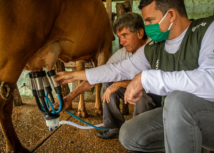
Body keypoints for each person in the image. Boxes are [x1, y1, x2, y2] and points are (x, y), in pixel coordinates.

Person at [54, 0, 214, 152]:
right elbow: (117, 69)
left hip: (207, 116)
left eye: (150, 20)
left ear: (171, 15)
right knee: (129, 134)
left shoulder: (208, 29)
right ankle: (183, 140)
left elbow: (210, 81)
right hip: (173, 113)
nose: (149, 27)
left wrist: (145, 78)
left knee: (176, 100)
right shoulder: (154, 47)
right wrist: (77, 74)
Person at [97, 12, 161, 139]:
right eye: (119, 37)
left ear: (140, 33)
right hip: (136, 90)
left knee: (143, 92)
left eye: (125, 35)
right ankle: (114, 126)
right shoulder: (123, 53)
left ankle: (138, 136)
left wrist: (120, 83)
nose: (121, 41)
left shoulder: (155, 48)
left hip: (157, 94)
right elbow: (103, 72)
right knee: (109, 82)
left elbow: (150, 81)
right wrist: (71, 95)